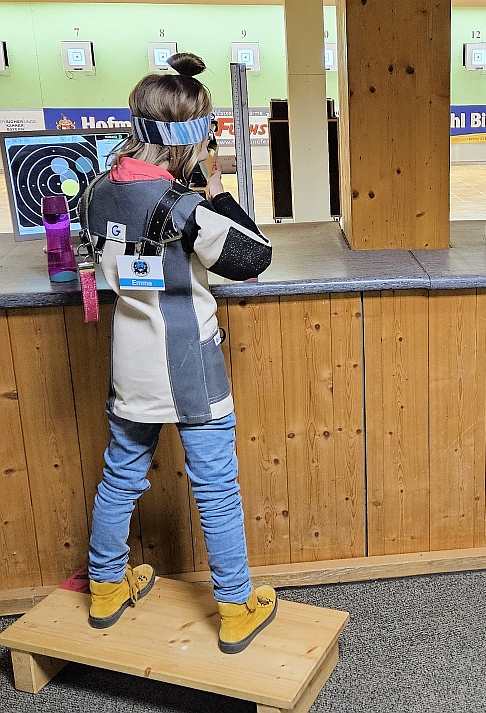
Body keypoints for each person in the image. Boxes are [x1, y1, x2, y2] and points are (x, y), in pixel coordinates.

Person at [79, 53, 277, 653]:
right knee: (216, 488)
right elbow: (254, 257)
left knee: (121, 476)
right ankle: (237, 607)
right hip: (191, 369)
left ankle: (105, 587)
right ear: (192, 136)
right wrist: (216, 189)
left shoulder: (96, 193)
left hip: (129, 367)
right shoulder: (186, 210)